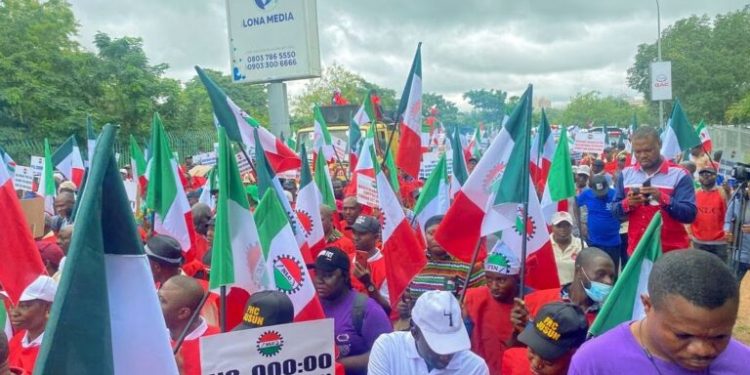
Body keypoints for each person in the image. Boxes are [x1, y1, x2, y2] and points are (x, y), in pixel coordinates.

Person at [569, 250, 750, 374]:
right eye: (683, 335)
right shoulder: (594, 363)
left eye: (719, 337)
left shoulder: (744, 364)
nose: (702, 350)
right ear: (647, 305)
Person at [613, 126, 697, 254]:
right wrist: (627, 204)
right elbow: (614, 211)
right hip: (638, 253)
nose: (643, 156)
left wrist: (662, 198)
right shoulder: (625, 175)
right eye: (637, 152)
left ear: (660, 144)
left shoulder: (679, 175)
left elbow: (689, 215)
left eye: (648, 150)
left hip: (671, 253)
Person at [368, 290, 489, 374]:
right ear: (415, 332)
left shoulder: (475, 367)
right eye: (439, 345)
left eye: (453, 343)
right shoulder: (388, 348)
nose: (446, 355)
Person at [314, 247, 392, 375]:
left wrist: (332, 365)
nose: (319, 280)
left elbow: (386, 353)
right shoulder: (313, 306)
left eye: (328, 275)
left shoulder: (366, 309)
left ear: (344, 276)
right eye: (317, 274)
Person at [511, 247, 614, 335]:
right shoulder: (535, 302)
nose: (608, 281)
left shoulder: (610, 317)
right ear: (579, 271)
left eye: (611, 276)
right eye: (601, 274)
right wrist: (520, 327)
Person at [463, 242, 520, 374]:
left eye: (501, 280)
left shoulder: (530, 302)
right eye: (489, 279)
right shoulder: (473, 298)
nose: (493, 286)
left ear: (516, 277)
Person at [408, 215, 484, 299]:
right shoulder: (415, 261)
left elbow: (482, 298)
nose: (435, 238)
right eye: (431, 233)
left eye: (441, 233)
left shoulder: (470, 264)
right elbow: (405, 294)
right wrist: (403, 305)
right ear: (425, 235)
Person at [501, 302, 588, 375]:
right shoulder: (516, 365)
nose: (535, 364)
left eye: (548, 361)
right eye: (532, 351)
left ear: (573, 354)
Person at [159, 275, 219, 375]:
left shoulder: (220, 343)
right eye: (157, 296)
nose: (154, 304)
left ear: (183, 313)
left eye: (162, 301)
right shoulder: (150, 337)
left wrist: (178, 371)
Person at [8, 276, 57, 374]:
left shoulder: (57, 349)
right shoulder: (16, 340)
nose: (14, 312)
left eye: (24, 306)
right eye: (12, 304)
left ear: (48, 306)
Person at [576, 175, 622, 270]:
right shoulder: (586, 194)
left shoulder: (615, 194)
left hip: (613, 242)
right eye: (598, 193)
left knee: (612, 271)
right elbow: (575, 204)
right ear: (592, 189)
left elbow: (623, 211)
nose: (601, 195)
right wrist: (580, 223)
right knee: (595, 271)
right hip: (594, 242)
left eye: (603, 192)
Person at [348, 216, 390, 313]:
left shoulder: (386, 267)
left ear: (376, 237)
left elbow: (387, 308)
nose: (356, 237)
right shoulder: (346, 259)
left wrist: (368, 284)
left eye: (361, 234)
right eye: (354, 232)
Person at [689, 165, 728, 262]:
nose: (706, 176)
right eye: (702, 174)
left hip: (719, 243)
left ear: (715, 176)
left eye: (709, 173)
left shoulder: (722, 193)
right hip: (698, 242)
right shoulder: (695, 194)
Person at [549, 211, 586, 285]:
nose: (563, 229)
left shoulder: (580, 245)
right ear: (552, 227)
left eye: (567, 226)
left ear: (571, 227)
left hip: (574, 289)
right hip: (550, 289)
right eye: (559, 226)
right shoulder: (544, 245)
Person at [724, 185, 750, 283]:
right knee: (731, 286)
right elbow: (727, 221)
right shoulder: (737, 201)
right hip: (738, 254)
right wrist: (727, 231)